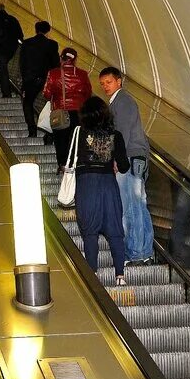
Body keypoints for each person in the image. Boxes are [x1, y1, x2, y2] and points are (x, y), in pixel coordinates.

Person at [100, 66, 155, 266]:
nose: (106, 86)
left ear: (119, 81)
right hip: (135, 156)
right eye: (103, 83)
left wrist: (116, 159)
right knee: (139, 205)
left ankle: (135, 253)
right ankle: (145, 251)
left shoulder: (122, 101)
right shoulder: (120, 101)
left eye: (109, 82)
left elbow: (121, 133)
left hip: (129, 157)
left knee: (131, 205)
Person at [72, 97, 129, 286]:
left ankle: (92, 274)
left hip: (87, 184)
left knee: (90, 232)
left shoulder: (79, 133)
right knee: (114, 230)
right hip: (107, 183)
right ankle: (120, 275)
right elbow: (124, 166)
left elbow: (68, 157)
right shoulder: (116, 135)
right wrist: (112, 162)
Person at [43, 47, 92, 169]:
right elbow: (88, 93)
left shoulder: (53, 73)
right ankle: (77, 165)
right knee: (77, 140)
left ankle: (63, 165)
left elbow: (47, 94)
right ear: (75, 60)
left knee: (61, 141)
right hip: (79, 113)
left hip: (60, 113)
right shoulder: (82, 74)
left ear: (61, 58)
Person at [19, 20, 60, 139]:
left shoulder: (26, 43)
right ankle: (49, 135)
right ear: (48, 31)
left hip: (30, 80)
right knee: (51, 105)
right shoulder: (52, 44)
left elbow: (22, 64)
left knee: (27, 103)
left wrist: (25, 80)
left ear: (35, 30)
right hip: (47, 80)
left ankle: (32, 131)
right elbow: (56, 65)